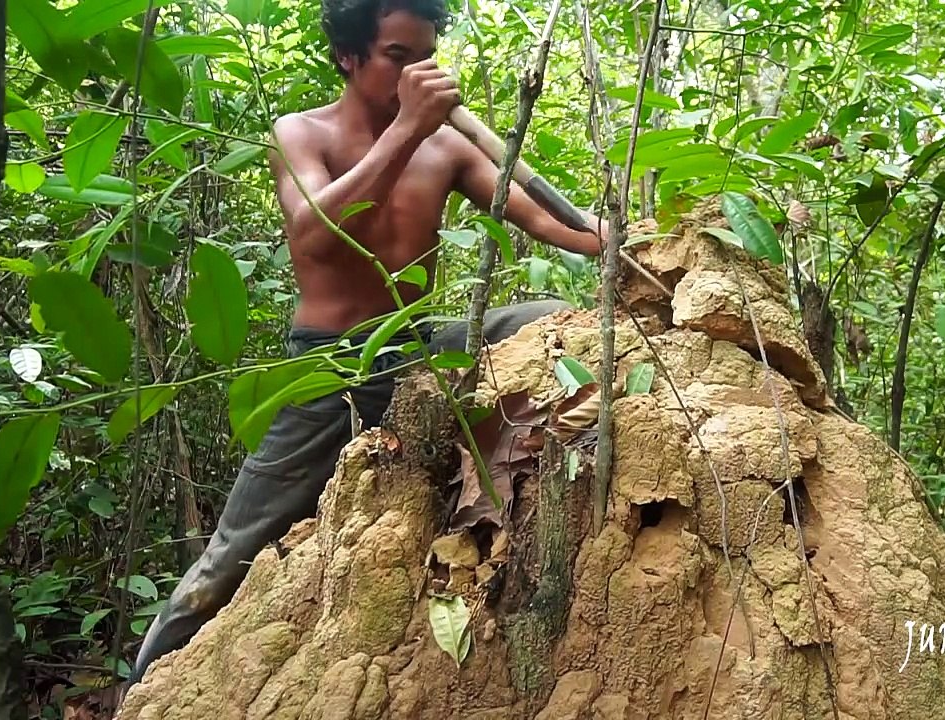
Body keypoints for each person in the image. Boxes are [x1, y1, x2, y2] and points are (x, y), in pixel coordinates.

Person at [128, 0, 606, 684]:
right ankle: (141, 690)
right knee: (228, 559)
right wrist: (408, 128)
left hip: (415, 350)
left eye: (427, 57)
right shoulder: (301, 133)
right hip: (329, 364)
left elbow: (545, 222)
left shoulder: (450, 148)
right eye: (398, 58)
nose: (419, 75)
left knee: (553, 316)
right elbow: (315, 230)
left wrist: (611, 235)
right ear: (349, 58)